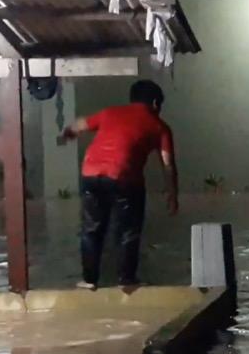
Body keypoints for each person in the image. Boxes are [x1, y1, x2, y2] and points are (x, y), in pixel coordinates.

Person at [61, 80, 178, 290]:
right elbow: (167, 164)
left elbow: (79, 125)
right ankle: (126, 280)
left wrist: (66, 133)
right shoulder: (159, 126)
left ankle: (89, 280)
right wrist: (172, 195)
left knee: (91, 229)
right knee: (128, 231)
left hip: (90, 173)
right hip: (123, 176)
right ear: (155, 102)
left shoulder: (109, 113)